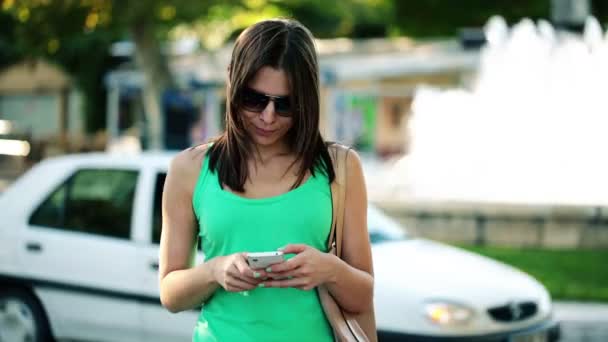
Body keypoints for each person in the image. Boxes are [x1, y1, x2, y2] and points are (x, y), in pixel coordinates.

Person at [159, 18, 374, 342]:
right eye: (255, 100)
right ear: (232, 79)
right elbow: (170, 294)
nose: (268, 117)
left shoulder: (340, 168)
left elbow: (362, 295)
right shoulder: (189, 169)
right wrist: (215, 271)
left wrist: (328, 269)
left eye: (285, 104)